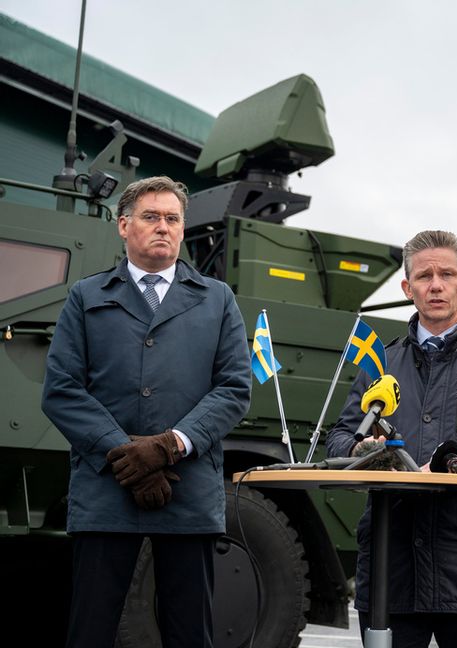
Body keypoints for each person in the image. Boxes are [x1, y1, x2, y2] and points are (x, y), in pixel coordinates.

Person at [41, 176, 251, 648]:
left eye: (172, 219)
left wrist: (168, 446)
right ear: (123, 225)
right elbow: (61, 389)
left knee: (189, 632)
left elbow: (235, 388)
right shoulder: (86, 296)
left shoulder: (217, 300)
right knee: (90, 629)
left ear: (182, 228)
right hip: (105, 491)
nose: (163, 227)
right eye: (150, 216)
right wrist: (129, 456)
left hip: (187, 490)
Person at [326, 230, 457, 648]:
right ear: (408, 288)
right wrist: (360, 451)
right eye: (424, 276)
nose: (436, 284)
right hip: (393, 569)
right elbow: (339, 438)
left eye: (447, 274)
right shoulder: (379, 364)